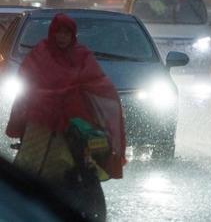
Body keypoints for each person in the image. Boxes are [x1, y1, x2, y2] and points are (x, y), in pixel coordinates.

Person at [6, 13, 126, 183]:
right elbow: (26, 84)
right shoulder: (40, 53)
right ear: (52, 32)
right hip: (39, 121)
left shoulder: (82, 57)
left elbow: (99, 84)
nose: (62, 37)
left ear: (72, 35)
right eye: (58, 32)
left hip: (70, 124)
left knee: (64, 166)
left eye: (66, 33)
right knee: (29, 163)